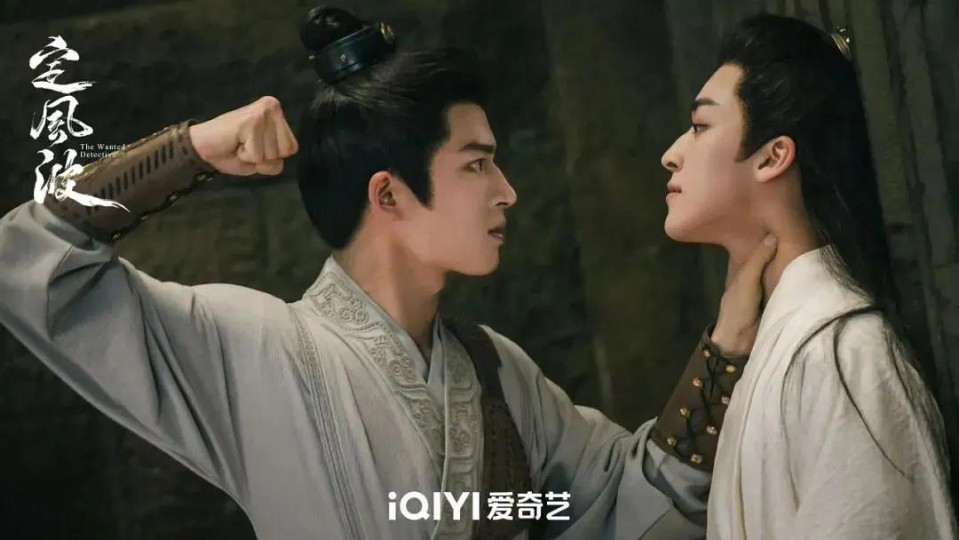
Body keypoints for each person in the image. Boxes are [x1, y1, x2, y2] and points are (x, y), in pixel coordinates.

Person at [0, 7, 776, 540]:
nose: (506, 191)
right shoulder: (257, 350)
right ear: (389, 195)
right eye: (476, 164)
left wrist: (729, 339)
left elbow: (630, 502)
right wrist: (192, 150)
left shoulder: (494, 371)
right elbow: (29, 260)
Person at [658, 13, 958, 539]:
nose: (671, 155)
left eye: (700, 127)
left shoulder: (846, 352)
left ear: (773, 156)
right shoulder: (792, 345)